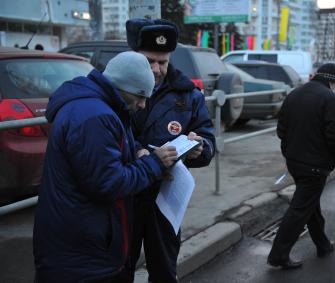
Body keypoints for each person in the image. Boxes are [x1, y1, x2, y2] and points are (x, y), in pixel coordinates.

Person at [33, 51, 178, 282]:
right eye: (140, 96)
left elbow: (107, 160)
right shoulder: (94, 116)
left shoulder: (104, 108)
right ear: (121, 86)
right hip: (82, 256)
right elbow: (107, 183)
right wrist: (153, 164)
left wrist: (138, 154)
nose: (142, 105)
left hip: (85, 245)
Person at [126, 18, 216, 282]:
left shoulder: (188, 94)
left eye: (162, 62)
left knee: (164, 271)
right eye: (149, 61)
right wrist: (138, 152)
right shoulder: (120, 88)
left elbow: (207, 136)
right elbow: (109, 135)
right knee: (119, 268)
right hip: (125, 194)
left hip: (165, 200)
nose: (156, 69)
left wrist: (201, 148)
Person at [267, 63, 335, 269]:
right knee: (299, 210)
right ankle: (278, 255)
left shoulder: (295, 94)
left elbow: (281, 130)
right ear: (333, 82)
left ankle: (322, 244)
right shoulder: (332, 100)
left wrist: (289, 152)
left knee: (310, 206)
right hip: (315, 167)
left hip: (295, 163)